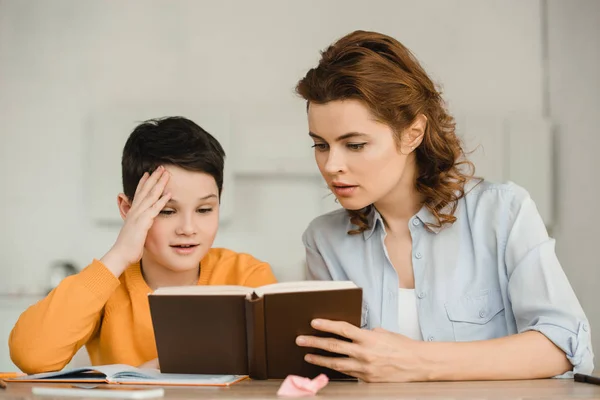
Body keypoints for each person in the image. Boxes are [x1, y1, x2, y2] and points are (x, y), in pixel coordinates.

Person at [293, 30, 593, 382]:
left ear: (413, 133)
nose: (331, 166)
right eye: (321, 145)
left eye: (355, 145)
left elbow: (565, 346)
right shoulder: (323, 240)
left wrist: (416, 361)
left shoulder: (503, 213)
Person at [9, 116, 277, 374]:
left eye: (204, 209)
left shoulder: (247, 277)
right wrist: (119, 253)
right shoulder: (107, 288)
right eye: (167, 211)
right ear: (128, 209)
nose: (188, 228)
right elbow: (30, 356)